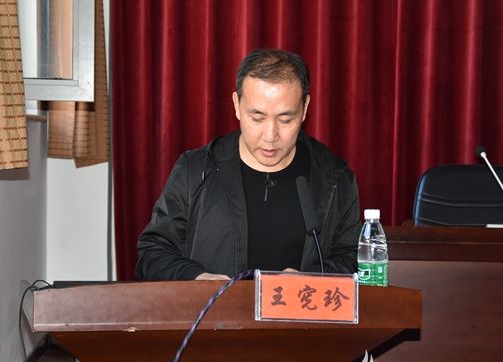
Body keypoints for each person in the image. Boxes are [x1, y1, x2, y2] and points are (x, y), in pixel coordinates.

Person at [136, 48, 362, 281]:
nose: (270, 135)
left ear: (305, 108)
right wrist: (197, 279)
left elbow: (353, 258)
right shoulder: (194, 171)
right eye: (257, 118)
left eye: (286, 119)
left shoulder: (334, 178)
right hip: (213, 305)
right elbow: (153, 252)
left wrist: (310, 279)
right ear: (237, 105)